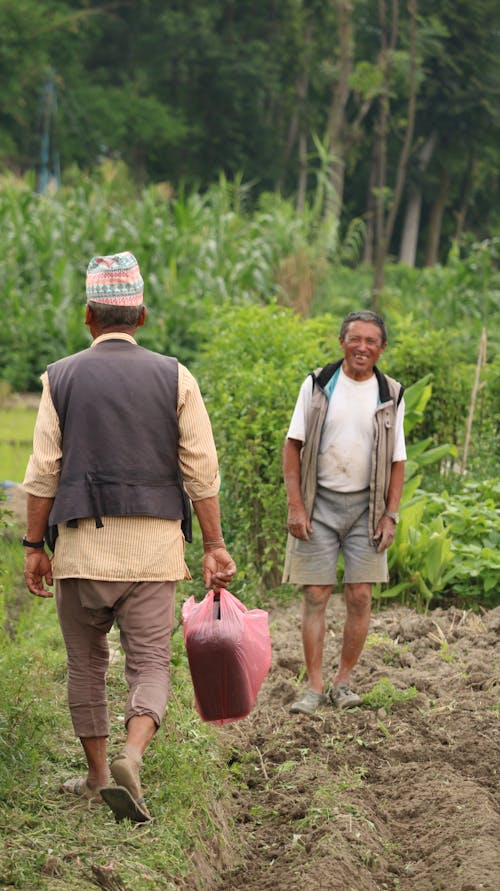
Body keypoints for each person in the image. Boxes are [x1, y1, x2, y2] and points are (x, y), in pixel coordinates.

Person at [22, 251, 236, 822]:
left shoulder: (60, 376)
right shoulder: (175, 376)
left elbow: (43, 470)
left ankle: (96, 776)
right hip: (153, 549)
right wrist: (214, 544)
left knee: (86, 664)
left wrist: (31, 547)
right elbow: (200, 469)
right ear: (140, 317)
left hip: (81, 551)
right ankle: (132, 755)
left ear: (88, 318)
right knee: (149, 664)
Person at [282, 310, 406, 715]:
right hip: (319, 504)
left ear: (382, 349)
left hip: (367, 507)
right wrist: (296, 506)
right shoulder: (319, 384)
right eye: (356, 339)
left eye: (372, 341)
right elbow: (293, 446)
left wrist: (391, 514)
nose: (363, 347)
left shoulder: (390, 392)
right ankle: (314, 686)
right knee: (316, 594)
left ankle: (344, 681)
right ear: (342, 342)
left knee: (361, 594)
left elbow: (397, 461)